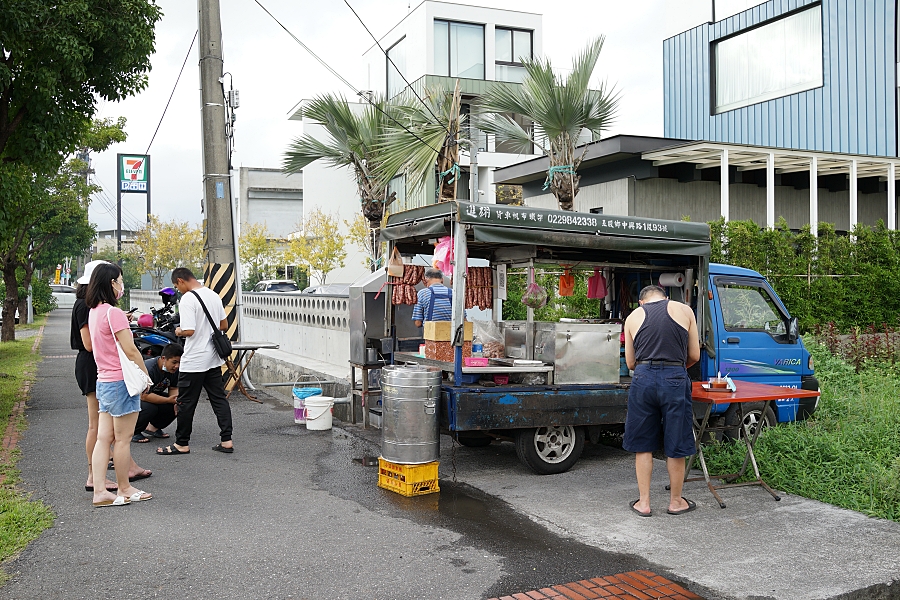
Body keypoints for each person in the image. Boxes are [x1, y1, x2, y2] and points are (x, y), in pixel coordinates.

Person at [622, 284, 701, 517]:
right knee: (676, 441)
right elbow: (695, 355)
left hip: (644, 378)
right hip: (675, 378)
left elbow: (629, 363)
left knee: (643, 443)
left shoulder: (633, 317)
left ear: (642, 302)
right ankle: (676, 501)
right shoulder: (684, 310)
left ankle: (644, 503)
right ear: (665, 297)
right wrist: (674, 369)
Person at [86, 262, 153, 507]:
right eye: (120, 280)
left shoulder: (93, 311)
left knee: (105, 438)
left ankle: (100, 490)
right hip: (121, 382)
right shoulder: (113, 313)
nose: (121, 285)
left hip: (103, 381)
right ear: (111, 283)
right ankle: (124, 487)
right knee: (123, 439)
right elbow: (131, 350)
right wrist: (146, 377)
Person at [157, 267, 234, 455]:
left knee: (185, 403)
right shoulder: (213, 295)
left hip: (194, 361)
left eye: (177, 286)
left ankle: (181, 443)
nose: (178, 289)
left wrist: (178, 331)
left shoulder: (188, 299)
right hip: (213, 359)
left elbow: (189, 330)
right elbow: (224, 325)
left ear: (181, 281)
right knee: (218, 399)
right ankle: (226, 440)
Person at [72, 260, 118, 493]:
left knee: (101, 425)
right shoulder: (84, 306)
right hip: (91, 366)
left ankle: (98, 473)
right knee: (96, 426)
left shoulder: (87, 304)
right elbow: (89, 344)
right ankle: (92, 475)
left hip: (93, 365)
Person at [132, 343, 183, 443]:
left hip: (151, 395)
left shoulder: (173, 370)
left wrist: (175, 400)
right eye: (174, 362)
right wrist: (168, 400)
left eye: (179, 363)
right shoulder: (149, 368)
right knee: (150, 408)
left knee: (178, 404)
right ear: (164, 358)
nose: (177, 366)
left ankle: (152, 427)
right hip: (134, 397)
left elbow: (173, 387)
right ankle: (134, 431)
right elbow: (144, 396)